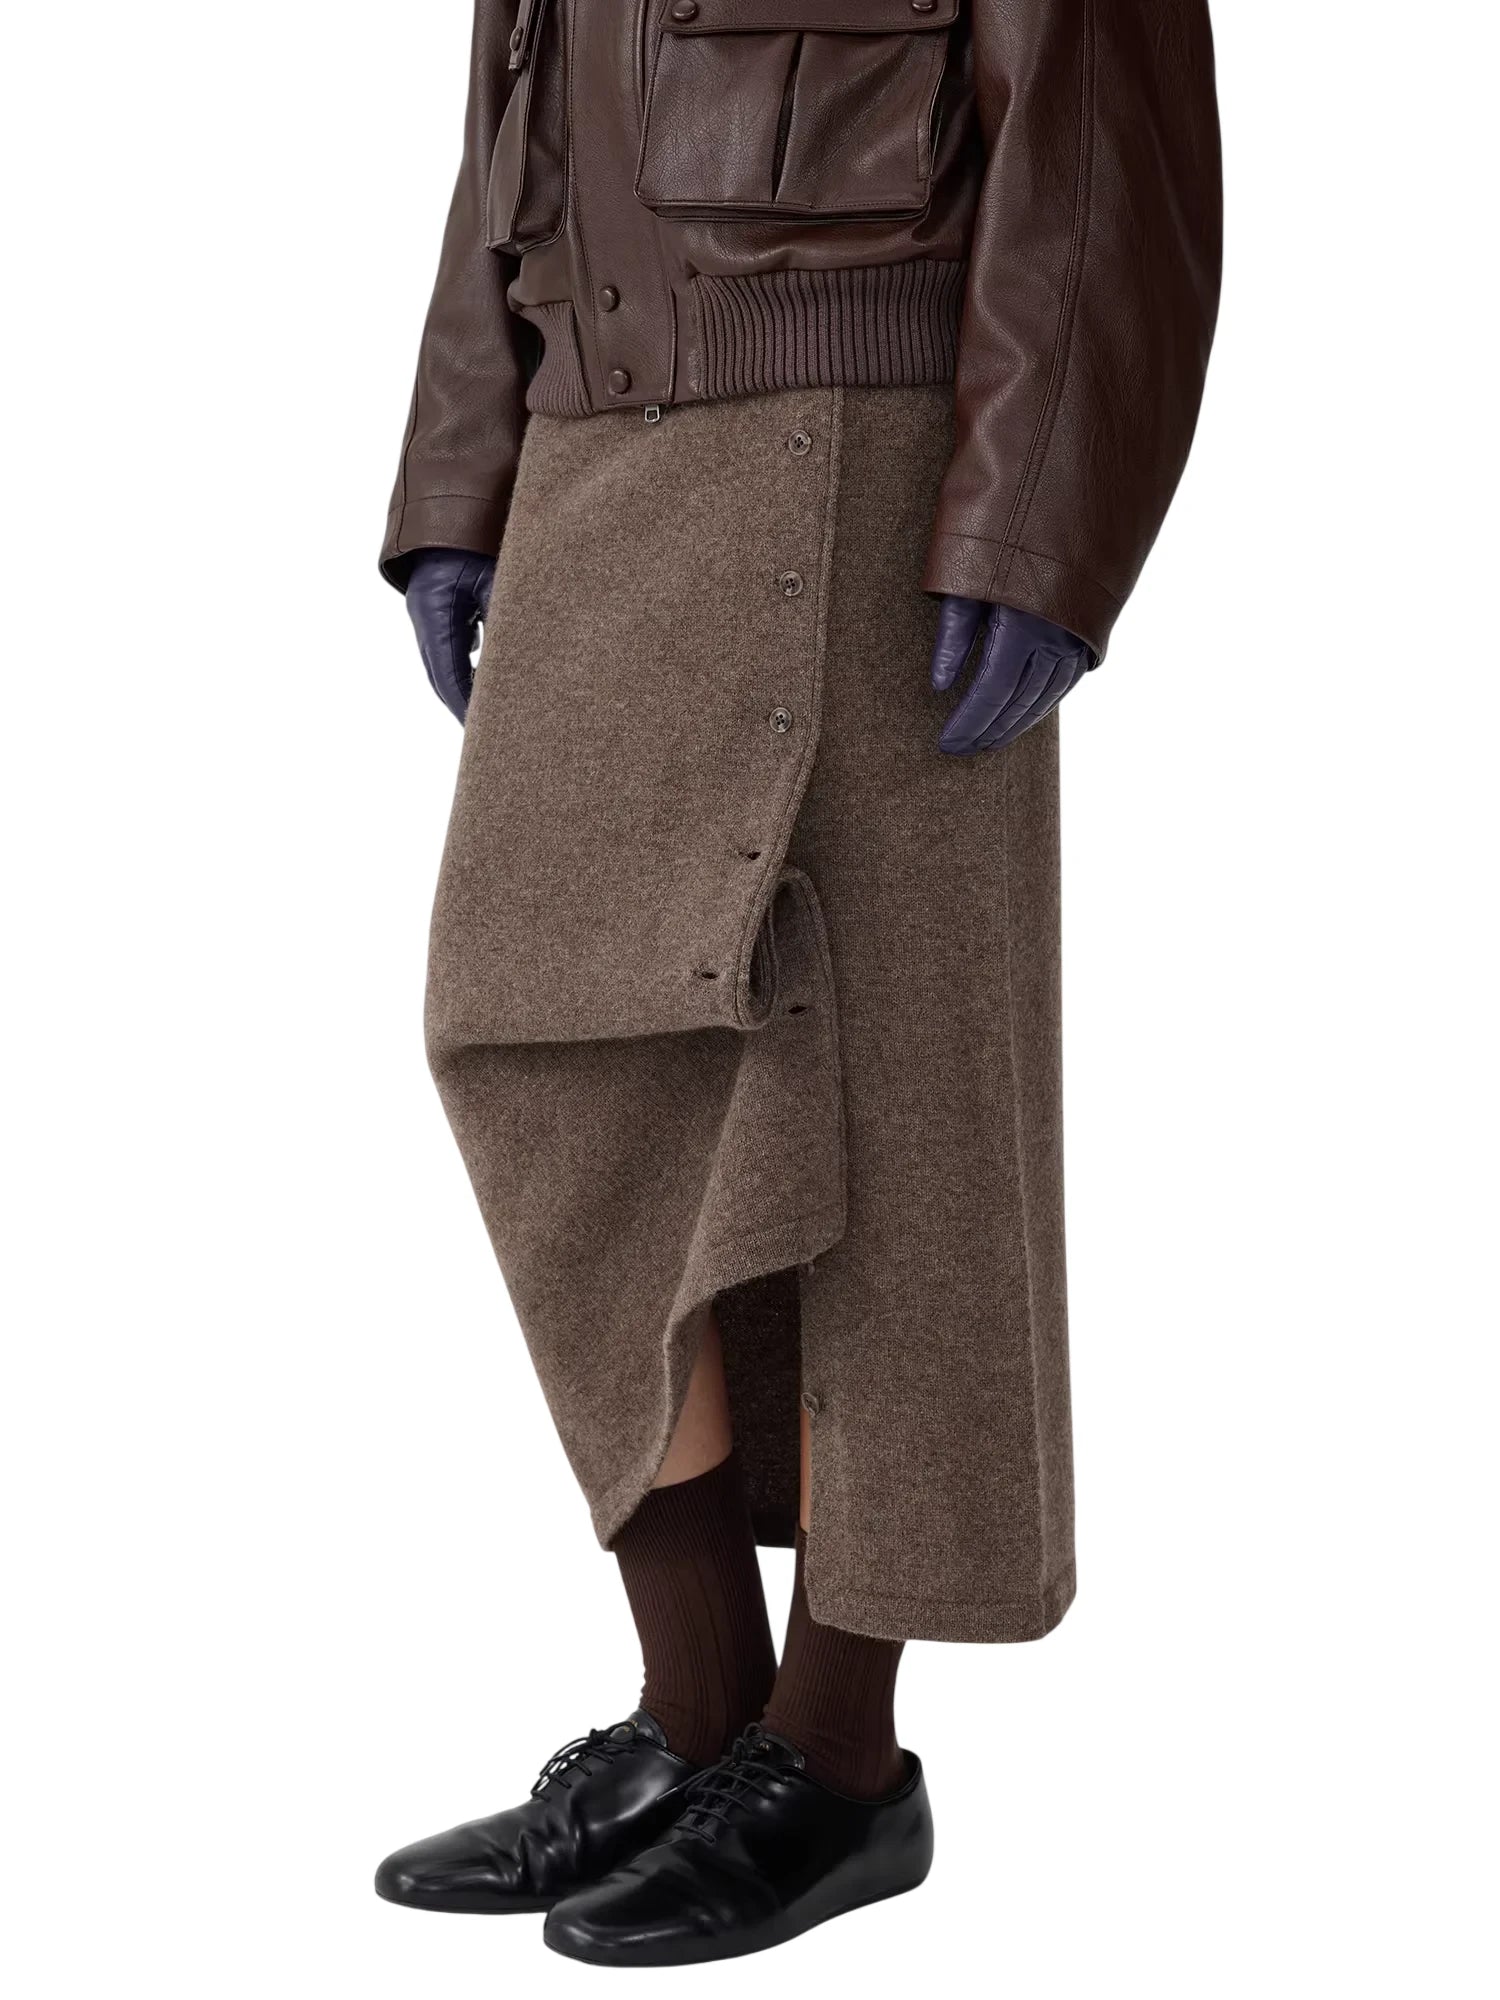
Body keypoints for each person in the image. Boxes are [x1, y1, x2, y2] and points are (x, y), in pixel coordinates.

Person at [374, 0, 1221, 1966]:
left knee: (889, 1081)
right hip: (595, 439)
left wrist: (1035, 521)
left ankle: (833, 1755)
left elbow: (1104, 145)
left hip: (870, 451)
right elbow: (508, 125)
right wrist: (457, 479)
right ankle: (698, 1710)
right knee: (523, 1027)